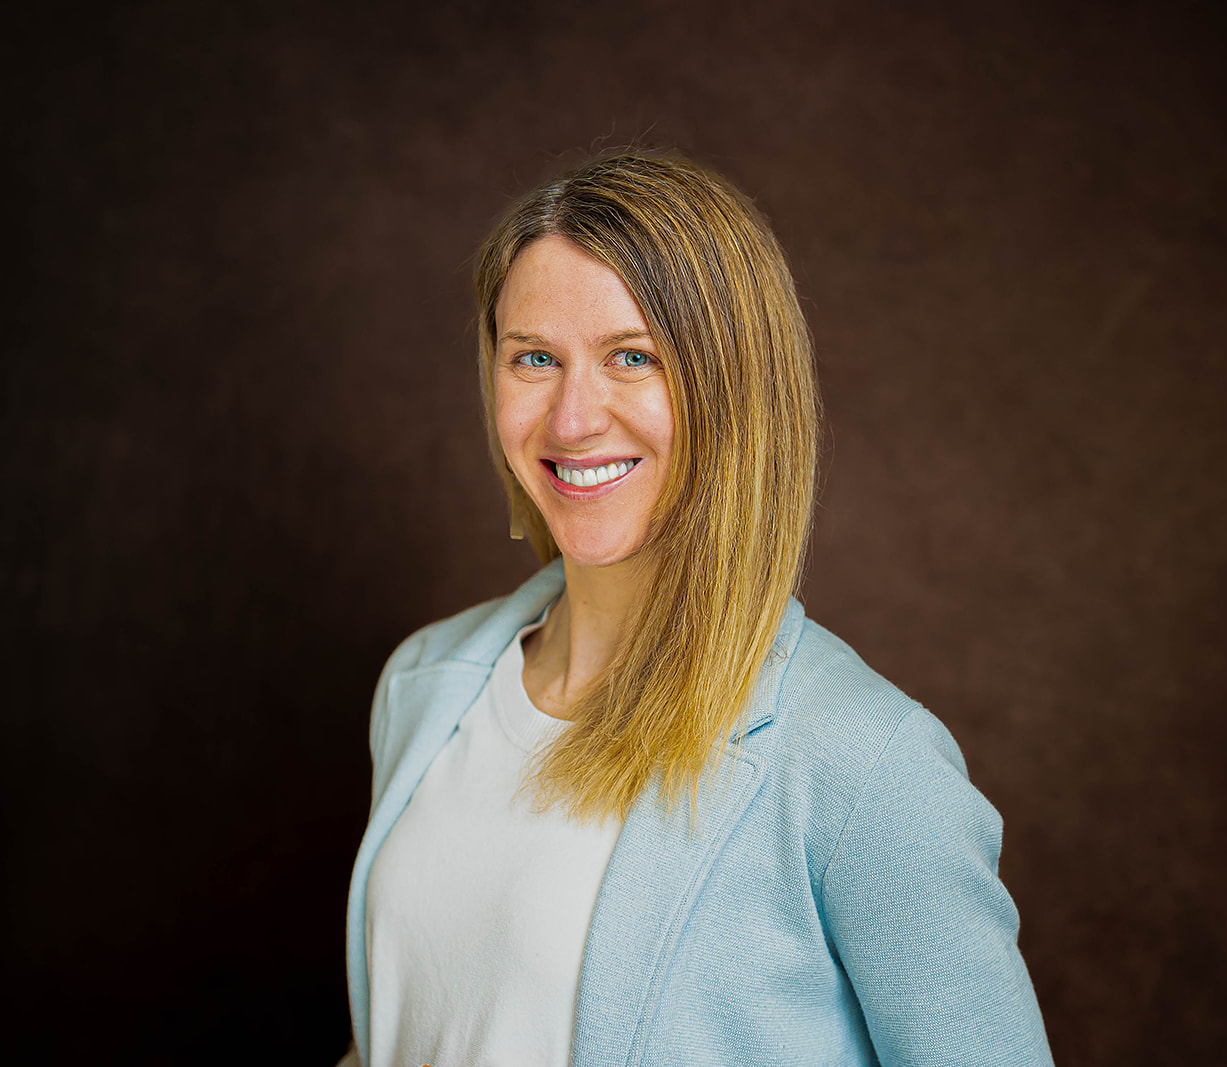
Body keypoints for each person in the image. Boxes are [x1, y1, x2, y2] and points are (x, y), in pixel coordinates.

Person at [341, 153, 1052, 1067]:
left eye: (632, 357)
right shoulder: (425, 684)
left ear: (734, 391)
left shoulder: (864, 764)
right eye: (535, 359)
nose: (570, 421)